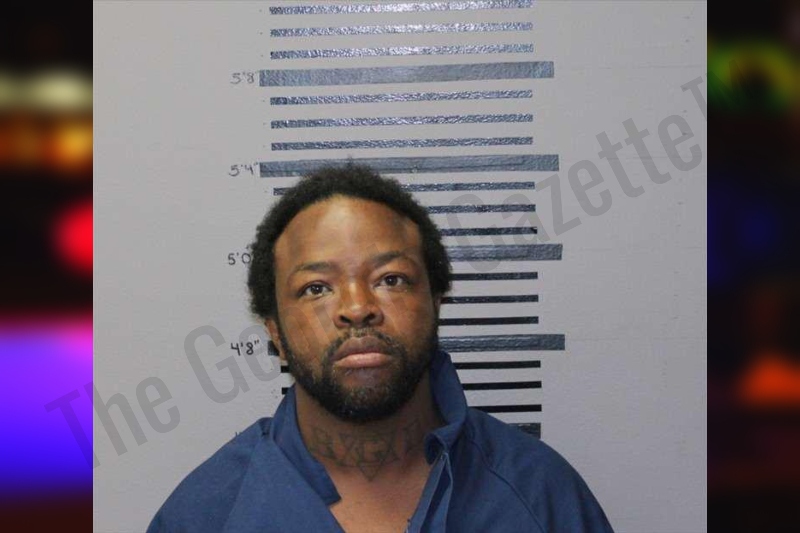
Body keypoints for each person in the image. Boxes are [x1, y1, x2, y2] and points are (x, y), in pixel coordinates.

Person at [147, 163, 614, 532]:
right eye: (316, 288)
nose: (357, 308)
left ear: (436, 305)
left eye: (390, 279)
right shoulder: (205, 515)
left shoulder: (542, 495)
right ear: (276, 335)